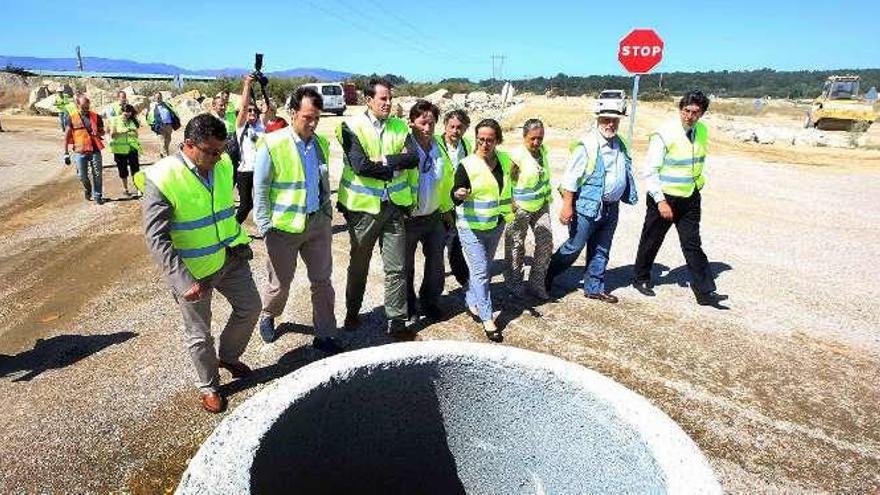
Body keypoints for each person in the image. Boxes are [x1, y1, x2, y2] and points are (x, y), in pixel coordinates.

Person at [135, 114, 260, 414]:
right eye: (212, 152)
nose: (219, 158)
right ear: (189, 145)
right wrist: (181, 279)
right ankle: (210, 386)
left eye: (221, 150)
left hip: (230, 258)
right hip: (194, 272)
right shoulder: (163, 177)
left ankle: (228, 357)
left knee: (251, 307)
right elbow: (157, 238)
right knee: (200, 334)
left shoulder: (223, 162)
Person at [253, 87, 343, 353]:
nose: (313, 123)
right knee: (280, 283)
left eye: (317, 117)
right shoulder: (272, 143)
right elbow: (260, 188)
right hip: (283, 228)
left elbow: (323, 182)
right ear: (292, 113)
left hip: (317, 224)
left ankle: (325, 333)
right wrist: (265, 225)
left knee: (322, 281)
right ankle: (269, 314)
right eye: (307, 117)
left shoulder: (321, 145)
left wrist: (327, 214)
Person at [335, 78, 420, 337]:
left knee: (396, 268)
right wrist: (396, 163)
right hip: (363, 211)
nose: (388, 103)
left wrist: (383, 161)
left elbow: (413, 158)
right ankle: (352, 311)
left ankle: (396, 320)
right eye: (383, 99)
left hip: (394, 207)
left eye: (390, 98)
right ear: (368, 100)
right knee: (359, 265)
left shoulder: (400, 127)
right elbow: (360, 165)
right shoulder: (349, 126)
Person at [632, 90, 728, 307]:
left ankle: (705, 292)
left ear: (702, 113)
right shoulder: (664, 133)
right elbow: (650, 170)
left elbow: (696, 161)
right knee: (652, 239)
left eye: (696, 112)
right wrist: (660, 200)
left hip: (690, 197)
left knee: (692, 244)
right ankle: (641, 278)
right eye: (686, 110)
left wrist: (697, 185)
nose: (690, 116)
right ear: (680, 109)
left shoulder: (702, 130)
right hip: (664, 197)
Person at [544, 108, 638, 302]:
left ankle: (594, 287)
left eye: (614, 120)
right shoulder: (586, 145)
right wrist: (567, 206)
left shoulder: (619, 144)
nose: (610, 124)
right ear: (598, 120)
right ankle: (545, 275)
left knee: (602, 248)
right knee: (574, 246)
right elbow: (571, 178)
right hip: (587, 206)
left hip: (611, 207)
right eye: (605, 120)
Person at [451, 118, 514, 342]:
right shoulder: (467, 165)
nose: (484, 145)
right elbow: (455, 192)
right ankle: (488, 318)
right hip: (471, 227)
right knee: (481, 272)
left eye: (489, 140)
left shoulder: (505, 160)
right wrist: (458, 194)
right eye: (480, 140)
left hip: (495, 224)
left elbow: (512, 182)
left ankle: (470, 299)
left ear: (497, 140)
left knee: (485, 267)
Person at [404, 100, 445, 322]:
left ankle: (430, 301)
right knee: (405, 266)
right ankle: (409, 306)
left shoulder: (438, 147)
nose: (427, 128)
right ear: (412, 123)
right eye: (422, 123)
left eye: (431, 123)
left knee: (436, 263)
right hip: (408, 218)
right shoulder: (405, 145)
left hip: (434, 216)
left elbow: (444, 180)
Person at [505, 118, 553, 301]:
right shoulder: (516, 155)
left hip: (541, 205)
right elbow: (507, 180)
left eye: (540, 138)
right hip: (520, 208)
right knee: (516, 246)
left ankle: (536, 283)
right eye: (532, 138)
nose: (536, 142)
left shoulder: (543, 151)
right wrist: (510, 203)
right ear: (524, 136)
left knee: (546, 243)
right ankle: (514, 283)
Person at [434, 109, 472, 288]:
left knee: (456, 246)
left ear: (465, 129)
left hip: (460, 206)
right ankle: (437, 288)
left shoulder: (468, 146)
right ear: (445, 126)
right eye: (452, 126)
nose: (455, 131)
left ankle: (464, 280)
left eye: (460, 127)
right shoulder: (434, 144)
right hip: (439, 207)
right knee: (436, 251)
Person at [234, 76, 266, 225]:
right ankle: (232, 229)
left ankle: (266, 228)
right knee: (246, 205)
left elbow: (269, 108)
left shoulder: (261, 126)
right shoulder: (241, 126)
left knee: (264, 202)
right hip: (245, 171)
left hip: (260, 171)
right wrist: (247, 84)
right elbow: (244, 106)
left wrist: (262, 86)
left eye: (255, 110)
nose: (252, 112)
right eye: (250, 110)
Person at [64, 95, 105, 204]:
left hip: (95, 149)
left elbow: (103, 132)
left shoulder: (96, 117)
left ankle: (98, 196)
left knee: (97, 174)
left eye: (87, 106)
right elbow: (67, 135)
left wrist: (98, 133)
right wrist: (66, 153)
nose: (86, 109)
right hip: (80, 151)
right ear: (78, 105)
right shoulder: (71, 117)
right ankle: (88, 189)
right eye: (83, 107)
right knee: (82, 176)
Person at [108, 103, 142, 197]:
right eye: (125, 112)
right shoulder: (115, 120)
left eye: (129, 112)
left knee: (136, 170)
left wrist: (132, 131)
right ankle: (125, 189)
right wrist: (124, 131)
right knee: (123, 171)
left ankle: (138, 189)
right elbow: (112, 135)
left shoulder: (131, 121)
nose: (127, 114)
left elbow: (136, 134)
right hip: (120, 150)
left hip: (132, 148)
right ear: (121, 111)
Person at [146, 92, 179, 158]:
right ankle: (166, 157)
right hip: (160, 126)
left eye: (159, 97)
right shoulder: (153, 107)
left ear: (162, 97)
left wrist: (175, 120)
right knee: (162, 142)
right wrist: (153, 125)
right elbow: (148, 117)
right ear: (154, 98)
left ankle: (162, 153)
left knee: (168, 140)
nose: (158, 98)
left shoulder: (167, 105)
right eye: (156, 97)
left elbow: (173, 111)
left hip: (169, 125)